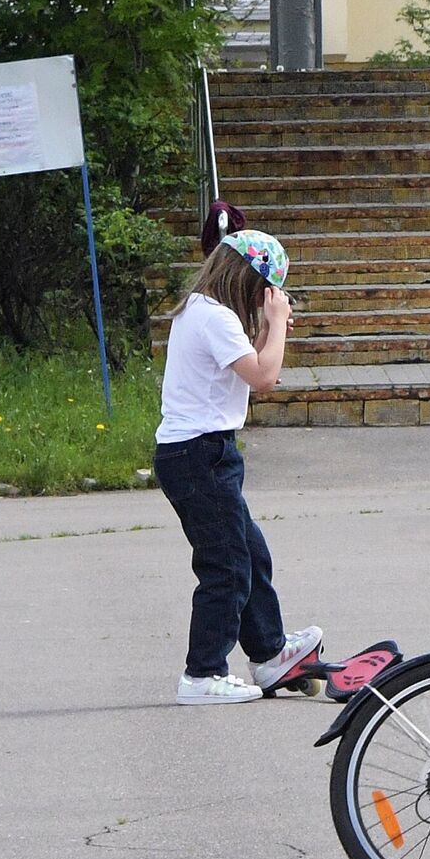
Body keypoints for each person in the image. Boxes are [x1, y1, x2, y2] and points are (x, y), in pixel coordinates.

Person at [153, 229, 321, 705]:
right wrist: (279, 321)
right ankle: (202, 674)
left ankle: (270, 654)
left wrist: (268, 330)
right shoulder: (216, 320)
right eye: (264, 293)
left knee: (249, 551)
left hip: (200, 453)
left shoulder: (202, 311)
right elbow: (266, 376)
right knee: (226, 565)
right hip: (199, 454)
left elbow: (253, 364)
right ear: (250, 282)